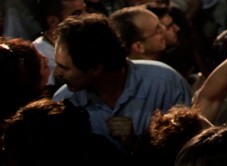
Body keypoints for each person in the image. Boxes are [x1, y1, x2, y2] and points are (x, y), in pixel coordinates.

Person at [52, 13, 190, 149]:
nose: (56, 73)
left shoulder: (165, 83)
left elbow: (189, 148)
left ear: (95, 69)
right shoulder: (63, 102)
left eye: (64, 67)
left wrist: (139, 143)